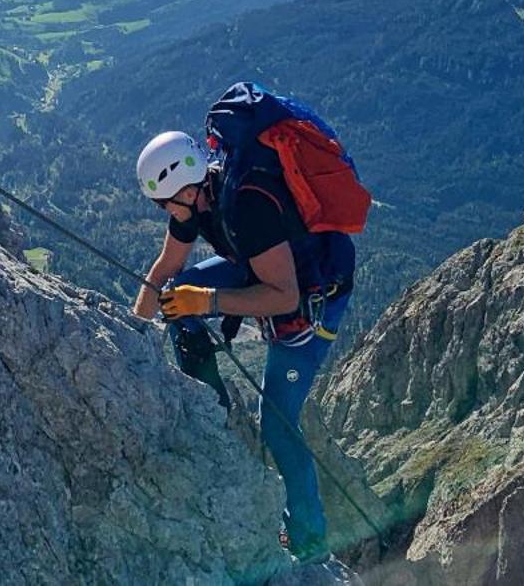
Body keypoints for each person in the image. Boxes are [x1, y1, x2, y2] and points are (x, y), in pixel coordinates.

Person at [130, 128, 356, 566]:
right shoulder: (193, 200)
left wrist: (210, 301)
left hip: (312, 300)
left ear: (188, 187)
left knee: (276, 422)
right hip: (261, 269)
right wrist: (131, 329)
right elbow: (167, 268)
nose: (165, 213)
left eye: (165, 204)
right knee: (180, 294)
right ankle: (210, 407)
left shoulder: (249, 206)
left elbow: (284, 296)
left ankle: (310, 535)